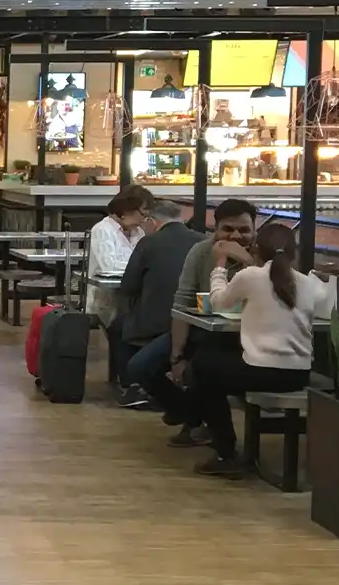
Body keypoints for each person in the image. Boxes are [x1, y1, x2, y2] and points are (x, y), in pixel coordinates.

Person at [188, 222, 334, 478]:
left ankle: (225, 452)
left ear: (257, 250)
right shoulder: (309, 284)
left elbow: (219, 299)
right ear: (293, 253)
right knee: (218, 364)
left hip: (261, 371)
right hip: (298, 372)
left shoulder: (251, 277)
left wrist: (220, 265)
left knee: (202, 365)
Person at [165, 198, 260, 446]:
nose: (236, 235)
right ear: (215, 230)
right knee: (143, 367)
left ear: (255, 231)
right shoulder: (200, 252)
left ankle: (211, 429)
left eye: (244, 230)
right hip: (201, 329)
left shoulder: (265, 258)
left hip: (252, 339)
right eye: (228, 229)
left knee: (203, 366)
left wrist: (248, 262)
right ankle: (193, 416)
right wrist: (176, 356)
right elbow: (182, 302)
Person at [117, 198, 204, 411]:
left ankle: (134, 386)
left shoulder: (148, 243)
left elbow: (128, 286)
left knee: (117, 326)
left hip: (154, 323)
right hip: (195, 321)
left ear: (152, 222)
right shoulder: (202, 242)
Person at [88, 185, 154, 391]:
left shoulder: (138, 232)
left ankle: (141, 376)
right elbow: (110, 265)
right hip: (105, 299)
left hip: (131, 297)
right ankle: (130, 381)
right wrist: (139, 268)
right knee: (123, 325)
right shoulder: (102, 230)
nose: (145, 217)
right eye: (143, 211)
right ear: (126, 209)